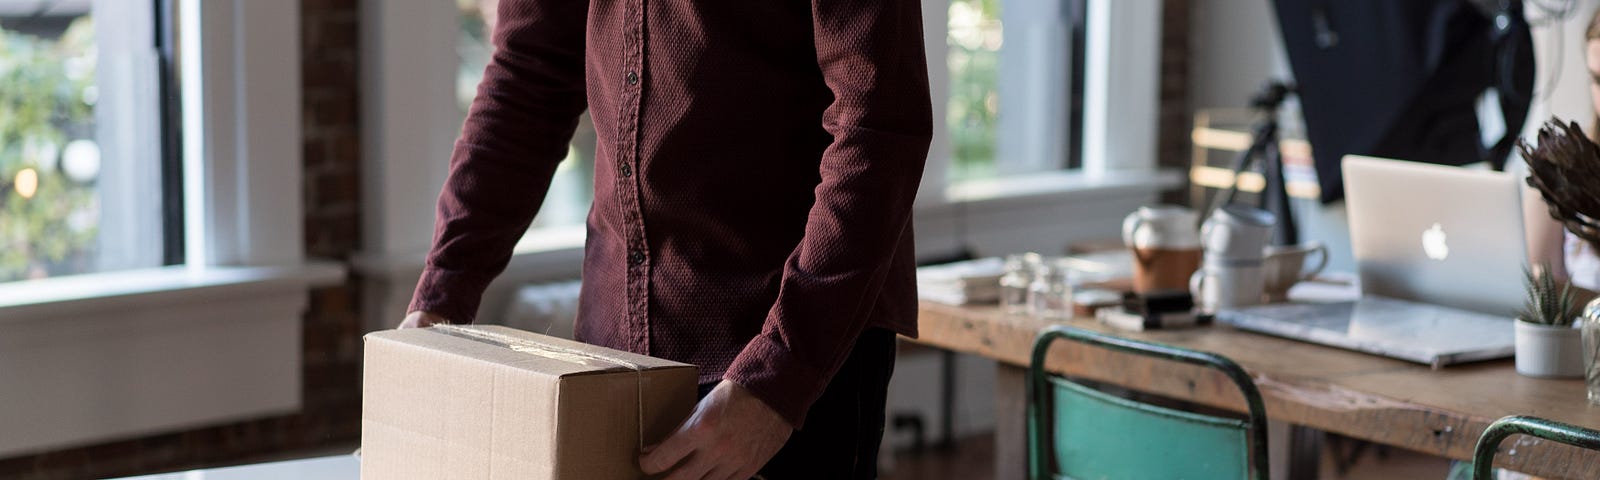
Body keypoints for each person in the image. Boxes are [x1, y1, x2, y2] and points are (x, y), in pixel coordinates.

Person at [400, 1, 932, 479]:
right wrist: (440, 296)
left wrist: (777, 380)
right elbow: (527, 76)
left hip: (786, 354)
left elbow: (879, 128)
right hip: (611, 354)